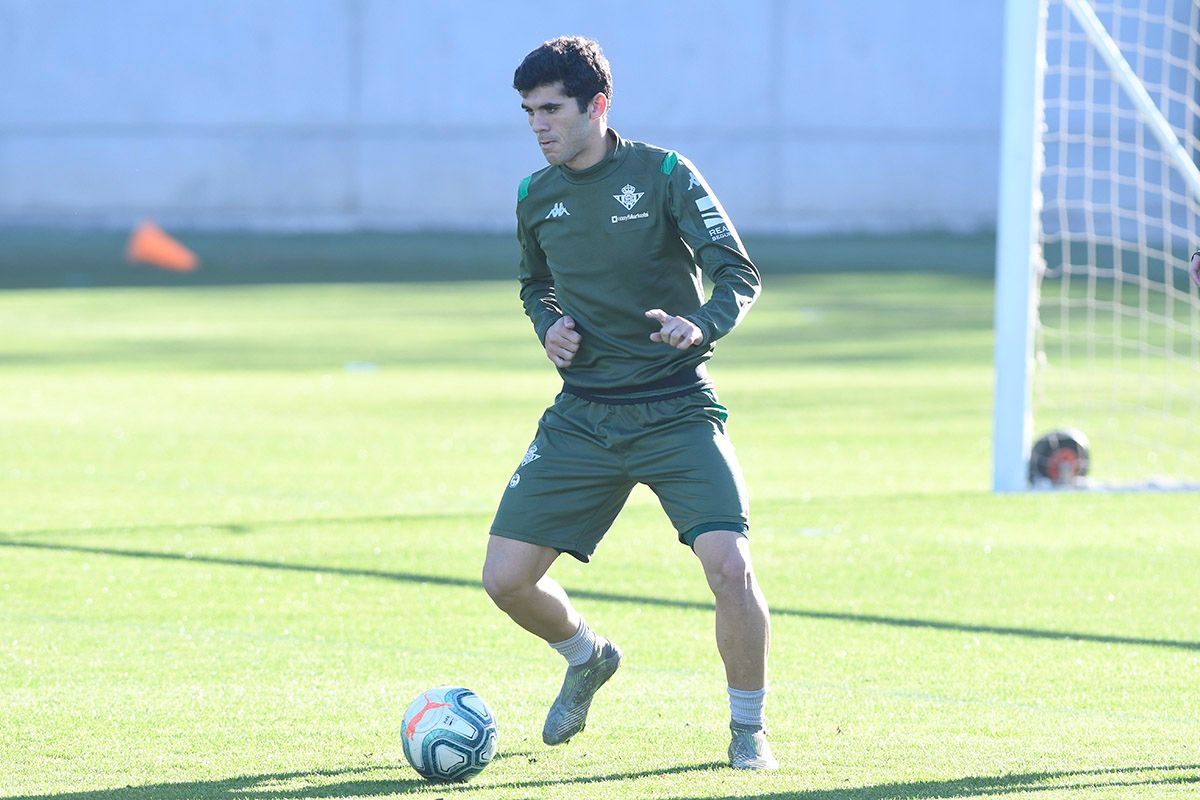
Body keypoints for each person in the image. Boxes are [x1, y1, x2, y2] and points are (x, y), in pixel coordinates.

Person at [480, 35, 776, 771]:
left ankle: (747, 732)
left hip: (675, 407)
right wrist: (549, 324)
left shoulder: (664, 174)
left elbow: (737, 273)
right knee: (505, 580)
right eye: (528, 112)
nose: (538, 125)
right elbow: (534, 283)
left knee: (730, 567)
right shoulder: (534, 195)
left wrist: (700, 325)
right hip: (583, 414)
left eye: (552, 110)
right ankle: (588, 656)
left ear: (597, 105)